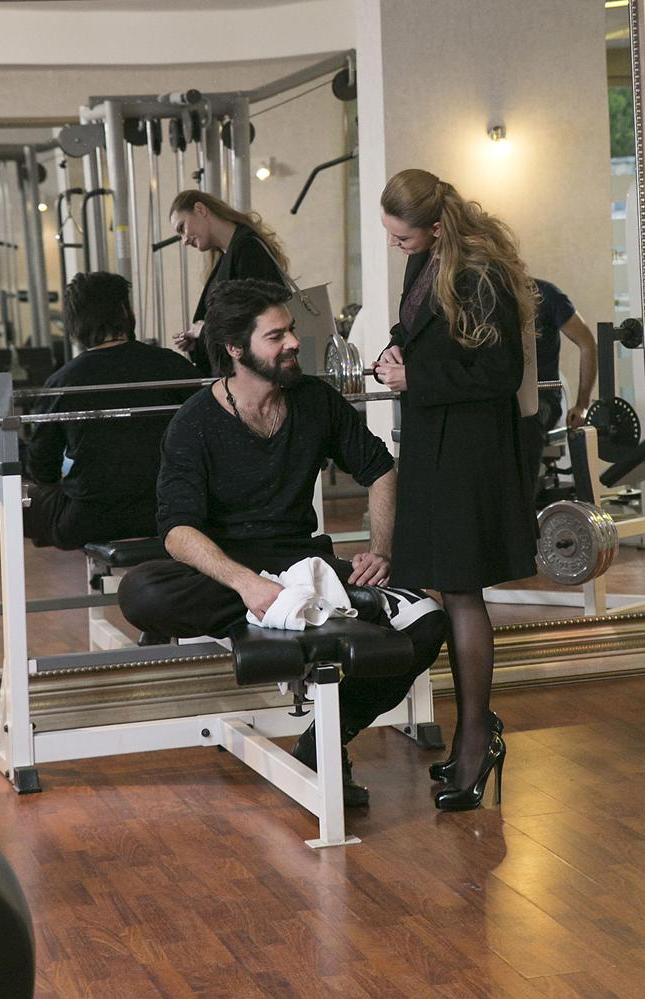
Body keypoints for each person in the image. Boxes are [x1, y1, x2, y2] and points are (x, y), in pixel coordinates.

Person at [118, 278, 447, 807]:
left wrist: (380, 550)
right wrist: (246, 584)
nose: (294, 342)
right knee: (142, 592)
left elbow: (380, 468)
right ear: (235, 349)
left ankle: (326, 739)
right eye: (276, 336)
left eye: (290, 329)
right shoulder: (194, 422)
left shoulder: (314, 399)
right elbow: (177, 531)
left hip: (304, 568)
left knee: (427, 620)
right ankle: (276, 610)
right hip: (231, 575)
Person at [375, 169, 539, 811]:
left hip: (470, 453)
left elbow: (500, 372)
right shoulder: (426, 261)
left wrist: (415, 377)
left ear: (437, 226)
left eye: (402, 236)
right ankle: (474, 731)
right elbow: (420, 331)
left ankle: (475, 740)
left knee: (463, 591)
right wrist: (395, 355)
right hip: (433, 445)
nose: (395, 245)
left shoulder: (481, 273)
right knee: (448, 588)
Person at [0, 271, 199, 550]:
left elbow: (42, 469)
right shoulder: (172, 365)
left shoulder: (62, 382)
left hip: (89, 519)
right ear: (125, 311)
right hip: (169, 511)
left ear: (75, 324)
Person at [170, 190, 288, 375]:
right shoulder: (230, 254)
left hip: (254, 377)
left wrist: (205, 331)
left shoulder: (247, 248)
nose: (184, 240)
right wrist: (198, 342)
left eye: (182, 227)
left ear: (200, 209)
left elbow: (254, 318)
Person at [521, 278, 597, 498]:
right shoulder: (485, 297)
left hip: (542, 399)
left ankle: (524, 503)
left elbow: (587, 343)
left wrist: (582, 405)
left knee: (523, 424)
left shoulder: (545, 294)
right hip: (504, 398)